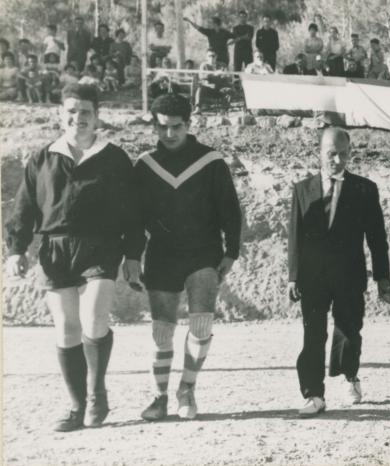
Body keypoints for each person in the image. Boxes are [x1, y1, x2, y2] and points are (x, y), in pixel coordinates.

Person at [4, 83, 139, 432]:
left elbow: (133, 212)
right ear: (61, 114)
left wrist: (133, 254)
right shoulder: (43, 156)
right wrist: (16, 249)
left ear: (97, 118)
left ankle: (97, 394)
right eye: (72, 111)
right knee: (66, 327)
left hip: (101, 245)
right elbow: (25, 207)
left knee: (94, 318)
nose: (78, 118)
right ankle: (77, 406)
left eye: (86, 113)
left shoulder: (114, 158)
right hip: (55, 248)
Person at [122, 92, 241, 421]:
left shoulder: (211, 161)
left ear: (190, 125)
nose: (169, 134)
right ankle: (159, 396)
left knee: (202, 323)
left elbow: (229, 209)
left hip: (204, 252)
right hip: (162, 253)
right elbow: (134, 217)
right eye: (162, 128)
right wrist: (132, 255)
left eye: (176, 127)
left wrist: (232, 250)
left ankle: (187, 389)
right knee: (162, 331)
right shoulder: (145, 165)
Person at [287, 127, 390, 416]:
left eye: (343, 154)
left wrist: (383, 277)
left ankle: (350, 375)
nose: (337, 160)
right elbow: (294, 237)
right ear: (319, 152)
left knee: (349, 332)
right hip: (312, 278)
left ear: (350, 154)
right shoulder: (301, 190)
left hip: (349, 275)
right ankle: (313, 394)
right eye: (331, 154)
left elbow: (377, 237)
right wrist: (293, 275)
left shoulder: (364, 189)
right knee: (313, 335)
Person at [193, 49, 230, 114]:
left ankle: (224, 110)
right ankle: (198, 108)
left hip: (220, 88)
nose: (211, 58)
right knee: (200, 89)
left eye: (213, 56)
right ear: (206, 57)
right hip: (209, 88)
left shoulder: (222, 65)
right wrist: (214, 74)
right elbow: (202, 77)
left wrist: (225, 74)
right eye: (209, 56)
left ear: (216, 56)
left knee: (230, 90)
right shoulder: (204, 65)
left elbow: (227, 77)